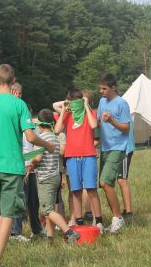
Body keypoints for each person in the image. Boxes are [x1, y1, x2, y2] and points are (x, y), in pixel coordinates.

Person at [0, 64, 54, 267]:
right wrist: (47, 145)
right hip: (12, 167)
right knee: (7, 214)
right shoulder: (19, 105)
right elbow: (30, 136)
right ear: (13, 80)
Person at [54, 88, 103, 230]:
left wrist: (86, 105)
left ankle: (98, 220)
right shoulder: (68, 115)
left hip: (88, 155)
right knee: (75, 191)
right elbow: (57, 130)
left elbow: (94, 125)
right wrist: (64, 108)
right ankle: (79, 221)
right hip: (72, 157)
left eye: (78, 100)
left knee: (91, 189)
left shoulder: (90, 113)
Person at [31, 109, 80, 242]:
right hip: (55, 176)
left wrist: (30, 163)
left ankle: (69, 232)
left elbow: (38, 158)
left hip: (45, 178)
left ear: (39, 125)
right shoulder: (55, 137)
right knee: (50, 208)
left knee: (47, 210)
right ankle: (50, 237)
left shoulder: (41, 139)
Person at [97, 73, 131, 233]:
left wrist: (112, 121)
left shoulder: (122, 104)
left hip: (118, 148)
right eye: (100, 88)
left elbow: (126, 128)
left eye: (104, 88)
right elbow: (96, 123)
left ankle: (118, 218)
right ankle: (116, 218)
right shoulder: (102, 101)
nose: (101, 91)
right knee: (104, 185)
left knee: (105, 182)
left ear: (113, 88)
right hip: (104, 148)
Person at [10, 83, 44, 241]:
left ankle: (37, 229)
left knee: (33, 201)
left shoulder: (27, 119)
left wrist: (35, 161)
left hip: (31, 166)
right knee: (19, 201)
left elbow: (35, 140)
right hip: (19, 166)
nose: (18, 96)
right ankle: (15, 232)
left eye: (20, 94)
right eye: (15, 93)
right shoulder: (10, 118)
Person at [118, 116, 134, 220]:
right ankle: (126, 210)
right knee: (121, 179)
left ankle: (128, 212)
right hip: (120, 149)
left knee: (122, 180)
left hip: (124, 150)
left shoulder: (121, 110)